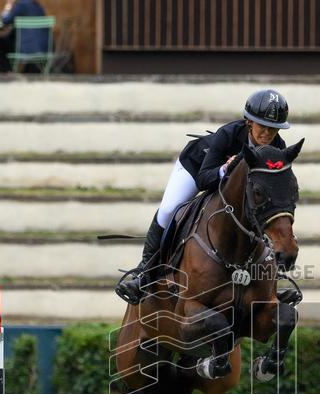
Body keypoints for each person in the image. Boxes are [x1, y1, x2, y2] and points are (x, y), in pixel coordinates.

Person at [116, 88, 291, 305]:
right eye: (262, 127)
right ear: (249, 122)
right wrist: (224, 170)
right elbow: (204, 180)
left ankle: (273, 284)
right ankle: (144, 273)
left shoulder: (278, 147)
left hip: (237, 189)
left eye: (273, 129)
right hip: (196, 167)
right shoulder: (227, 135)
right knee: (170, 209)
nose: (267, 134)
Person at [0, 0, 47, 74]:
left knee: (1, 42)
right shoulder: (37, 5)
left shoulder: (21, 5)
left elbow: (4, 20)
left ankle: (6, 72)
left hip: (26, 48)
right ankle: (24, 70)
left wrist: (8, 6)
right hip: (44, 48)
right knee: (10, 38)